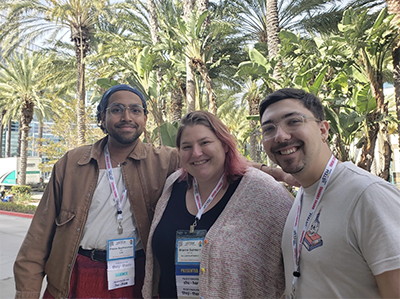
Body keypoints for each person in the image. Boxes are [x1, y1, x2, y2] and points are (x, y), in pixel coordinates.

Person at [13, 84, 295, 299]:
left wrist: (280, 172)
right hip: (77, 273)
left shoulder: (166, 159)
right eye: (116, 109)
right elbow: (40, 234)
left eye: (135, 110)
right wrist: (26, 292)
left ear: (145, 118)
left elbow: (222, 160)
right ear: (102, 117)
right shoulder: (72, 163)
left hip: (135, 276)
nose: (127, 116)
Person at [259, 88, 400, 299]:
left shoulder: (367, 195)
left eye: (294, 121)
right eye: (269, 128)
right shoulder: (304, 195)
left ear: (323, 130)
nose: (280, 136)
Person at [142, 111, 293, 299]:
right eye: (186, 146)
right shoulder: (173, 185)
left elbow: (297, 261)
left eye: (205, 143)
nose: (196, 153)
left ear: (224, 144)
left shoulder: (263, 192)